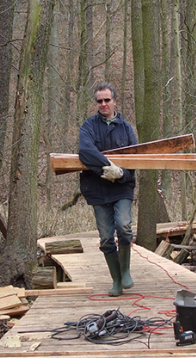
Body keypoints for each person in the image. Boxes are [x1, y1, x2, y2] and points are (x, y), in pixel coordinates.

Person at [78, 82, 138, 297]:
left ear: (115, 101)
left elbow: (134, 160)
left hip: (122, 188)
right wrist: (108, 167)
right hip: (97, 188)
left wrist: (121, 173)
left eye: (107, 100)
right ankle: (116, 281)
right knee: (105, 237)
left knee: (123, 226)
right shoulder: (89, 126)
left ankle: (125, 271)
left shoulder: (126, 128)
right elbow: (85, 150)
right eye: (99, 101)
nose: (103, 104)